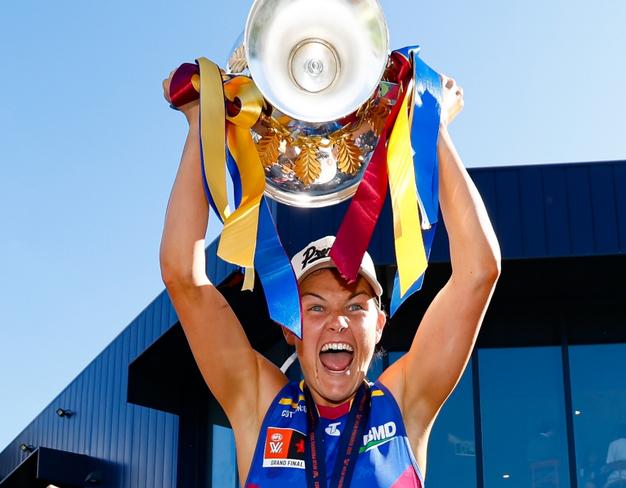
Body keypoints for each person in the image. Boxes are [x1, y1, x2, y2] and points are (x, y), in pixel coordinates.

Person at [160, 70, 500, 486]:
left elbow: (478, 272)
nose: (337, 321)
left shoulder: (402, 402)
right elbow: (182, 275)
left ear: (379, 325)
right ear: (291, 327)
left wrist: (434, 126)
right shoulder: (259, 402)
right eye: (315, 307)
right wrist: (201, 119)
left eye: (355, 306)